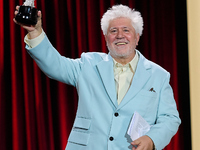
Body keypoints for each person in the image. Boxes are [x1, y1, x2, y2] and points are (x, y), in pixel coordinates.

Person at [14, 4, 181, 150]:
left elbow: (170, 118)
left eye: (126, 30)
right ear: (106, 38)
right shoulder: (88, 64)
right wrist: (36, 32)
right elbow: (55, 66)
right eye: (113, 31)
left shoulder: (158, 75)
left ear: (137, 37)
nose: (120, 35)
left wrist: (152, 139)